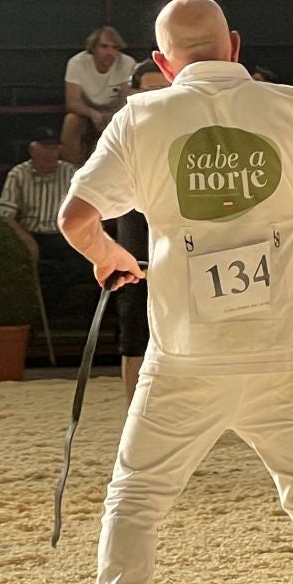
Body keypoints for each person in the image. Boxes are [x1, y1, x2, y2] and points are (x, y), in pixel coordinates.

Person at [49, 0, 293, 584]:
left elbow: (74, 216)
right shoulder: (290, 108)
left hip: (186, 352)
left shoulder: (142, 115)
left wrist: (111, 257)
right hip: (285, 346)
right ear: (233, 44)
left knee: (135, 498)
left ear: (164, 64)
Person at [113, 61, 169, 400]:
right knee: (134, 334)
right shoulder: (123, 130)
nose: (156, 97)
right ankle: (134, 408)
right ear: (135, 92)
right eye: (149, 90)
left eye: (162, 89)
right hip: (137, 243)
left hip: (186, 246)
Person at [0, 127, 89, 297]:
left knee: (81, 267)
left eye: (54, 148)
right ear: (32, 149)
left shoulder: (70, 172)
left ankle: (52, 304)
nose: (50, 153)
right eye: (45, 148)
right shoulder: (18, 174)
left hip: (64, 236)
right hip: (31, 234)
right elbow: (5, 214)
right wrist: (25, 238)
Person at [61, 25, 136, 165]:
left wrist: (113, 114)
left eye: (115, 48)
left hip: (115, 112)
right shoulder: (77, 63)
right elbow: (72, 102)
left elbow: (128, 97)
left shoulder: (127, 62)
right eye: (104, 47)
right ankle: (70, 170)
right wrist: (93, 114)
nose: (110, 52)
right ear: (93, 48)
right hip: (86, 112)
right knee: (71, 121)